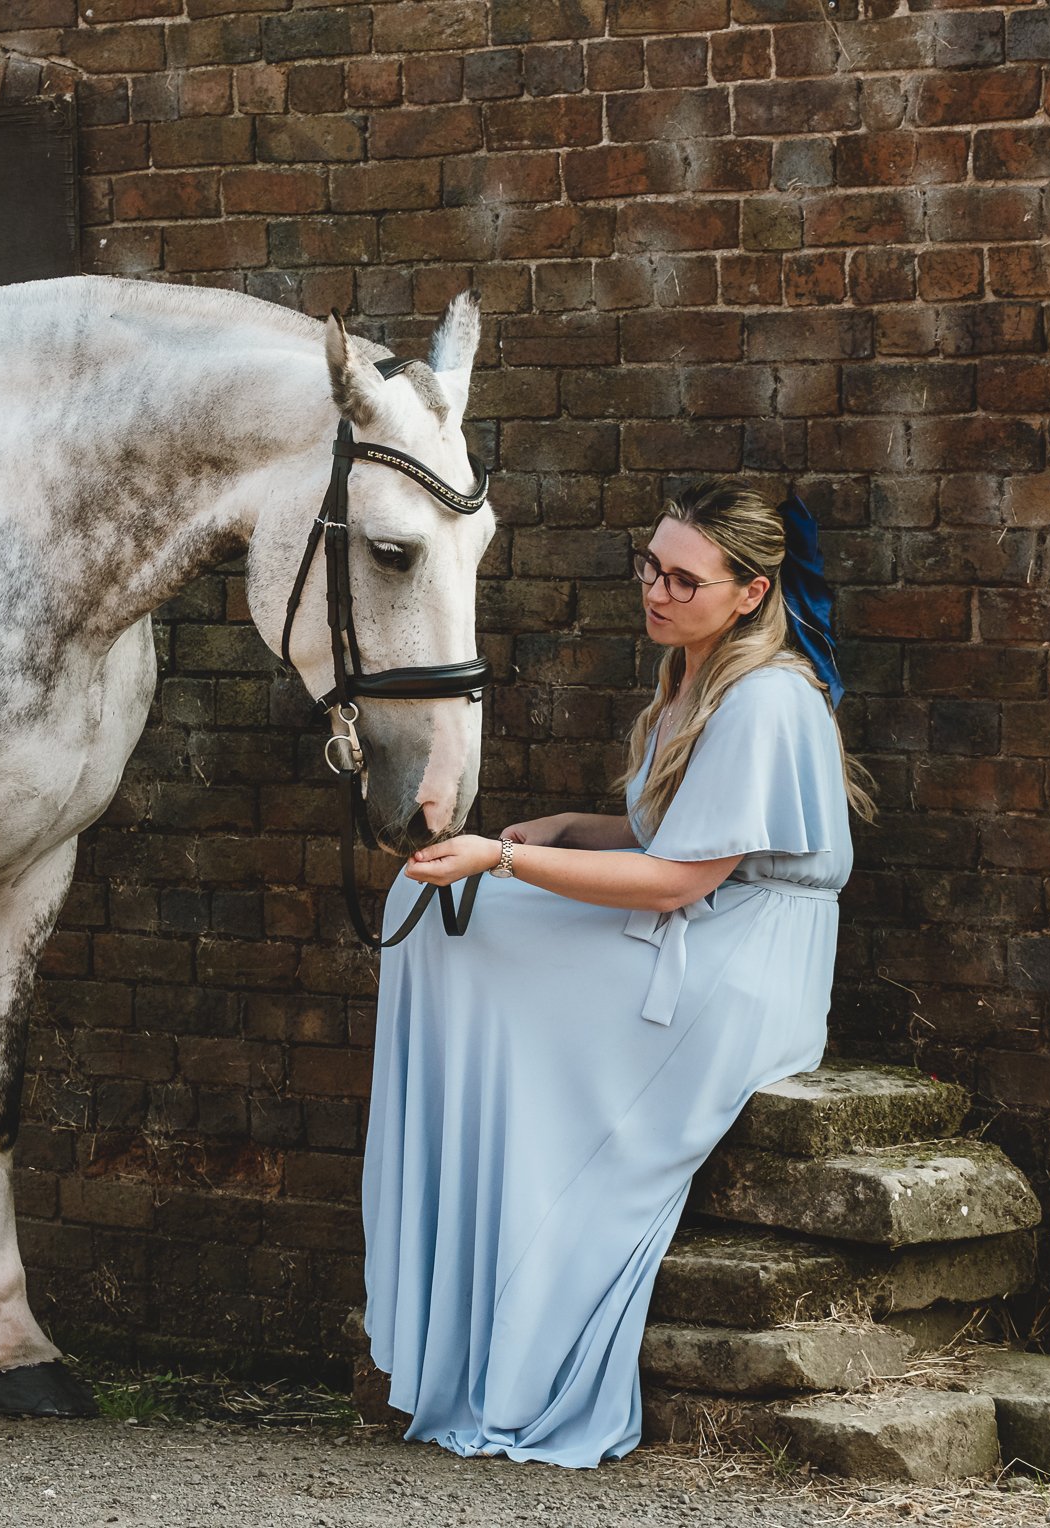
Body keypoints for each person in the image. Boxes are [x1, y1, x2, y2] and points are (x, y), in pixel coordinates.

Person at [358, 479, 877, 1467]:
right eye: (650, 565)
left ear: (751, 593)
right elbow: (670, 836)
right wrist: (566, 829)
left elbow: (676, 877)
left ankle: (519, 1242)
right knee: (430, 909)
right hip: (701, 920)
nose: (657, 589)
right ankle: (476, 1206)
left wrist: (507, 858)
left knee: (462, 907)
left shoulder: (765, 697)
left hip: (738, 965)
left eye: (685, 578)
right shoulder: (693, 672)